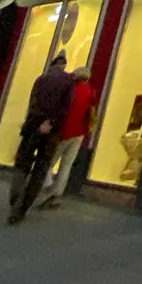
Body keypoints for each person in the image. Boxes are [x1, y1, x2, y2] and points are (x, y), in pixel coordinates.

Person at [8, 51, 75, 225]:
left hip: (32, 127)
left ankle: (15, 195)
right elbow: (65, 108)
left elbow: (33, 103)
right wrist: (50, 123)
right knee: (41, 168)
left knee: (22, 163)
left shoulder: (40, 79)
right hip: (51, 132)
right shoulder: (68, 82)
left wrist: (36, 121)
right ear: (63, 66)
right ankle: (22, 208)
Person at [35, 66, 98, 210]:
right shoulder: (90, 91)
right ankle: (57, 194)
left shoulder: (70, 90)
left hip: (64, 132)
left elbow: (61, 109)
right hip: (80, 133)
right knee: (66, 165)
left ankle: (48, 187)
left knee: (48, 161)